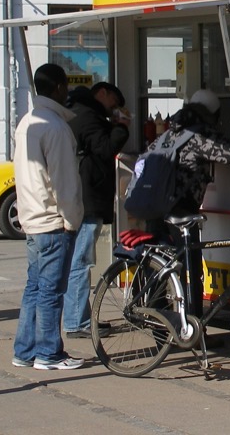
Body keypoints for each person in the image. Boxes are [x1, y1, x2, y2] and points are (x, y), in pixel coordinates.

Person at [12, 63, 85, 371]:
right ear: (59, 88)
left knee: (34, 287)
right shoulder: (55, 127)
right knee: (51, 290)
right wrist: (71, 221)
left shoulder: (27, 122)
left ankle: (25, 350)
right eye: (65, 86)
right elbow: (65, 181)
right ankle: (48, 352)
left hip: (31, 217)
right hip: (52, 221)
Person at [145, 89, 230, 318]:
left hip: (155, 205)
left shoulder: (170, 132)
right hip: (180, 209)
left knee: (161, 266)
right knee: (190, 268)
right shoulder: (199, 134)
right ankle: (194, 328)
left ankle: (160, 324)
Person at [63, 82, 130, 339]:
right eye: (113, 101)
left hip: (81, 194)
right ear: (101, 93)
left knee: (78, 258)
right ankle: (77, 322)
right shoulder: (88, 116)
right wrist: (121, 127)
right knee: (81, 259)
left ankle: (79, 318)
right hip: (88, 196)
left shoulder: (77, 111)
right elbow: (104, 148)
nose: (115, 107)